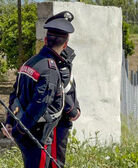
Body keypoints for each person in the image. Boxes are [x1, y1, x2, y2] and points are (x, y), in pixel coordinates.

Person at [1, 11, 75, 168]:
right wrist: (19, 130)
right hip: (37, 136)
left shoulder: (30, 62)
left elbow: (15, 94)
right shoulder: (50, 69)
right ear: (65, 44)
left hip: (25, 132)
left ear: (45, 40)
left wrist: (10, 121)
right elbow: (39, 105)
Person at [51, 45, 81, 168]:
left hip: (63, 118)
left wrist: (76, 106)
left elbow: (70, 86)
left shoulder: (66, 56)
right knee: (56, 160)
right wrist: (72, 111)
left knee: (58, 157)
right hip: (58, 119)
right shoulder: (58, 59)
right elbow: (62, 89)